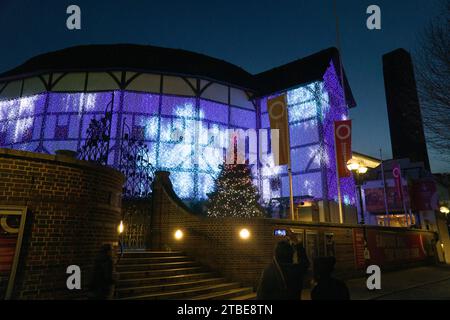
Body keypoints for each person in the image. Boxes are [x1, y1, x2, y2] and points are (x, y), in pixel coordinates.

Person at [256, 233, 310, 300]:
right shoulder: (296, 270)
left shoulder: (270, 271)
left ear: (276, 254)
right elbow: (305, 263)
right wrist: (297, 243)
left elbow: (261, 294)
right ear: (291, 255)